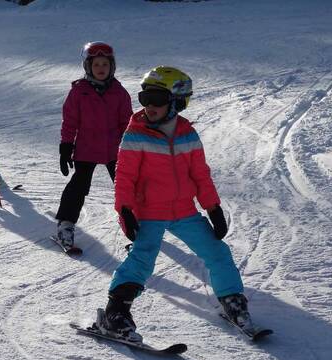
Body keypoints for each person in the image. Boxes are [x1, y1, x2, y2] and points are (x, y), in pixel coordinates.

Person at [94, 66, 254, 342]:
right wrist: (126, 211)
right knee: (142, 259)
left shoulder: (187, 134)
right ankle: (115, 313)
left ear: (176, 101)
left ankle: (232, 301)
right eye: (145, 98)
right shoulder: (136, 134)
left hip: (184, 211)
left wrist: (212, 207)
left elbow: (200, 175)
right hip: (150, 212)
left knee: (217, 253)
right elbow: (125, 178)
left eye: (157, 99)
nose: (149, 106)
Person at [54, 41, 133, 248]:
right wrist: (66, 147)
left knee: (126, 186)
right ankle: (66, 224)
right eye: (96, 65)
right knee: (78, 186)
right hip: (86, 149)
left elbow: (127, 123)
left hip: (115, 150)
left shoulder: (119, 92)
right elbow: (70, 122)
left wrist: (132, 148)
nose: (100, 69)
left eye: (105, 65)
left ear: (112, 67)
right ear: (88, 67)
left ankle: (135, 223)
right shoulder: (79, 92)